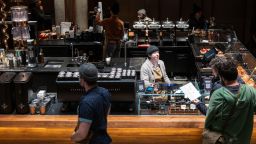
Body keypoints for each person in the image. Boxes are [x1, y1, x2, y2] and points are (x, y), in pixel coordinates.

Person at [203, 57, 256, 144]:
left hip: (222, 138)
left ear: (221, 77)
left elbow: (209, 117)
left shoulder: (218, 94)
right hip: (243, 139)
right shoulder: (250, 91)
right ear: (236, 74)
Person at [71, 63, 112, 144]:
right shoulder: (105, 92)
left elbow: (82, 135)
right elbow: (106, 112)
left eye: (79, 76)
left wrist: (72, 137)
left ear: (82, 80)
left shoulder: (87, 102)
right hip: (105, 140)